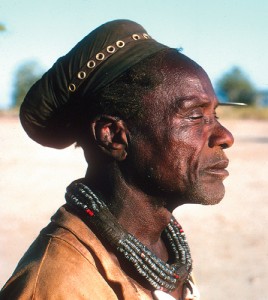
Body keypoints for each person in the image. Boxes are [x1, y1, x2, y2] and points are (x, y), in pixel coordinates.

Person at [0, 19, 235, 300]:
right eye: (195, 116)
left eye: (215, 115)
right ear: (113, 136)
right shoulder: (56, 287)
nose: (225, 136)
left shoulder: (160, 253)